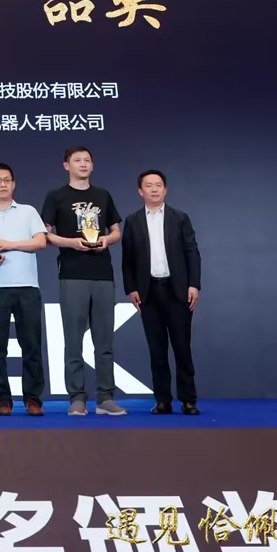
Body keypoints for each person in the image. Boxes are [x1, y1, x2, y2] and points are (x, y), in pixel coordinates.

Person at [40, 145, 125, 417]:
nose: (83, 164)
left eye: (87, 160)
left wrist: (106, 240)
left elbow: (116, 231)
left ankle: (105, 397)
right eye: (77, 160)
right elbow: (45, 234)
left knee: (104, 340)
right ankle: (77, 397)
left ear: (92, 165)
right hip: (72, 273)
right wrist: (72, 242)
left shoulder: (103, 195)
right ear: (67, 165)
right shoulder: (56, 196)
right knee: (73, 339)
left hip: (102, 274)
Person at [121, 170, 202, 415]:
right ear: (140, 191)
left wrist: (194, 284)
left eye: (158, 185)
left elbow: (192, 252)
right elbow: (128, 258)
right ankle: (162, 401)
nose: (154, 189)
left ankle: (188, 400)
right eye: (149, 185)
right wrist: (131, 288)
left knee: (182, 348)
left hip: (178, 291)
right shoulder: (132, 221)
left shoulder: (180, 218)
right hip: (148, 293)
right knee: (157, 350)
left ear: (165, 189)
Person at [0, 162, 48, 416]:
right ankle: (2, 400)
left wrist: (9, 244)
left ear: (13, 184)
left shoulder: (28, 212)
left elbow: (40, 242)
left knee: (32, 345)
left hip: (27, 287)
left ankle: (33, 399)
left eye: (6, 180)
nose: (2, 184)